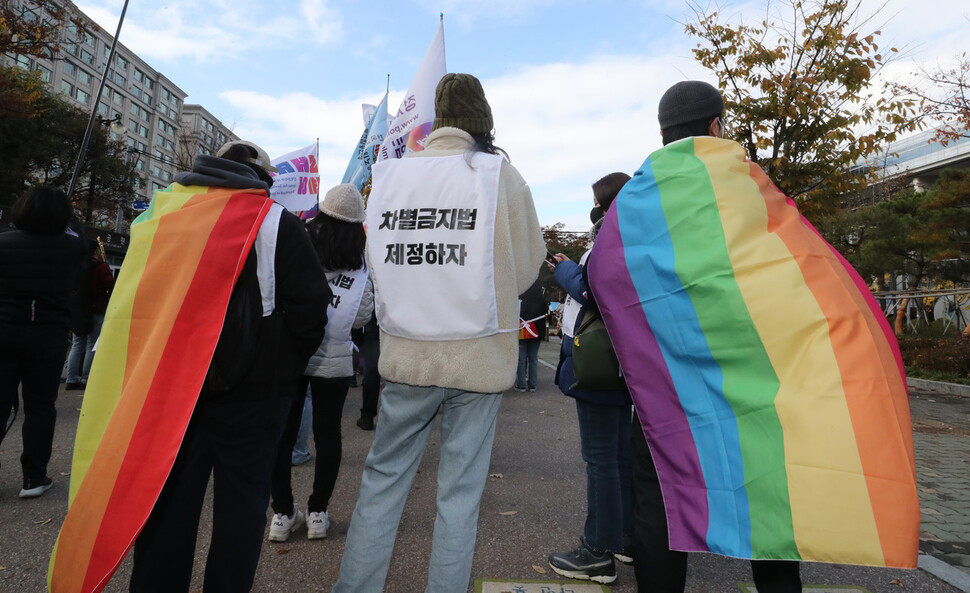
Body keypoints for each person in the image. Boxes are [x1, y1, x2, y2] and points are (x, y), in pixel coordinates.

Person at [48, 140, 331, 593]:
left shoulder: (157, 217)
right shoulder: (276, 222)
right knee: (241, 511)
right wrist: (280, 368)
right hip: (255, 396)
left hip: (168, 389)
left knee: (166, 506)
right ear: (262, 179)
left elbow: (131, 307)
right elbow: (312, 311)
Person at [331, 73, 545, 593]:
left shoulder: (390, 177)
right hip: (477, 356)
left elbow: (382, 262)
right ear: (481, 124)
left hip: (409, 352)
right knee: (460, 494)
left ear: (437, 123)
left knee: (382, 482)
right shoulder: (502, 177)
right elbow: (526, 268)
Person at [589, 81, 802, 593]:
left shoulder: (638, 195)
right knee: (768, 511)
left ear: (664, 135)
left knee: (659, 511)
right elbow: (794, 275)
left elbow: (603, 274)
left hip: (666, 392)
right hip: (751, 391)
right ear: (715, 126)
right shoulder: (749, 187)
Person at [269, 183, 374, 542]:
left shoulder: (300, 241)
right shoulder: (360, 262)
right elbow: (361, 317)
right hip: (335, 361)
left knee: (283, 433)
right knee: (328, 436)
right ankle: (318, 513)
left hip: (293, 354)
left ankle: (282, 514)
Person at [545, 172, 634, 585]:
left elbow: (593, 290)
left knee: (601, 459)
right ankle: (624, 537)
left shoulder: (614, 238)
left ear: (605, 205)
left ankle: (597, 551)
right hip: (623, 362)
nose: (594, 210)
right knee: (616, 457)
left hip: (600, 362)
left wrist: (565, 272)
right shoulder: (638, 233)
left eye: (597, 203)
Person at [0, 186, 85, 498]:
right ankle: (33, 478)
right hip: (47, 337)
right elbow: (79, 235)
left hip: (4, 333)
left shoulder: (3, 243)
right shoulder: (71, 248)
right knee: (40, 407)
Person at [65, 240, 114, 391]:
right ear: (95, 251)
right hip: (96, 309)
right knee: (91, 345)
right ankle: (86, 379)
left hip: (79, 311)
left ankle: (71, 379)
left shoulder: (75, 266)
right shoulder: (101, 266)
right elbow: (111, 285)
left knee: (77, 345)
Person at [515, 277, 547, 392]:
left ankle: (521, 384)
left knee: (521, 359)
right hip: (536, 333)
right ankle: (532, 384)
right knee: (533, 358)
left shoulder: (521, 298)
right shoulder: (542, 299)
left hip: (523, 331)